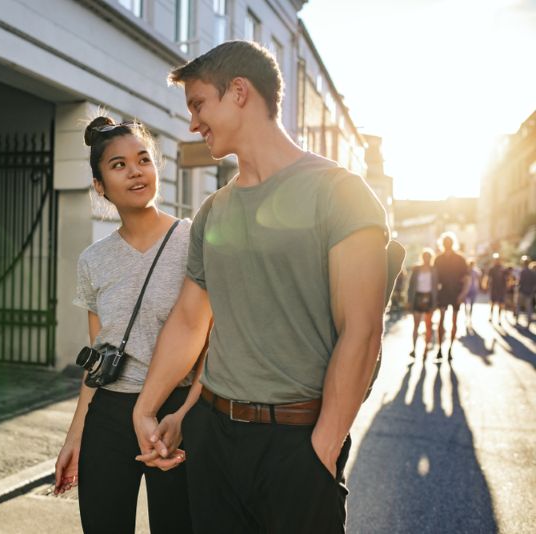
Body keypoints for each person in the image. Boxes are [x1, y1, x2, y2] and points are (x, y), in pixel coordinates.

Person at [131, 41, 390, 534]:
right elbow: (189, 319)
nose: (193, 123)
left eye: (198, 104)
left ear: (240, 92)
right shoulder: (212, 211)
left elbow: (361, 331)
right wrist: (147, 409)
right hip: (213, 438)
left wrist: (323, 449)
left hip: (299, 444)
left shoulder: (340, 193)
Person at [53, 116, 197, 534]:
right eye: (118, 165)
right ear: (100, 186)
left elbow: (210, 342)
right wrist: (75, 436)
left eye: (143, 159)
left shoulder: (193, 241)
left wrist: (187, 413)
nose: (135, 171)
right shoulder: (93, 260)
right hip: (110, 416)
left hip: (175, 413)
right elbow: (98, 357)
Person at [433, 232, 468, 359]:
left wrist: (463, 294)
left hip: (456, 294)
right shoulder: (438, 259)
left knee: (454, 321)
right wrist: (434, 294)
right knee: (441, 320)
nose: (447, 245)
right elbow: (434, 279)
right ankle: (440, 348)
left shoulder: (460, 259)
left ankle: (450, 349)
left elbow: (466, 279)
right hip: (443, 293)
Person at [407, 248, 439, 357]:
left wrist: (435, 303)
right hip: (417, 297)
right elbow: (410, 285)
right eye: (425, 257)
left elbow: (436, 286)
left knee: (428, 326)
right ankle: (414, 349)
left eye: (429, 257)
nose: (427, 259)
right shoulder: (417, 269)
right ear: (422, 257)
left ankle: (426, 349)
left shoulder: (434, 270)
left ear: (431, 258)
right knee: (416, 325)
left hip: (429, 298)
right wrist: (409, 300)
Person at [515, 257, 536, 327]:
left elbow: (519, 282)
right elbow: (534, 284)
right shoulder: (533, 272)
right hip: (529, 293)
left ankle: (517, 320)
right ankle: (528, 322)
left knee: (518, 306)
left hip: (522, 291)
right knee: (528, 308)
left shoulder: (522, 271)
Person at [486, 254, 507, 325]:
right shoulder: (492, 269)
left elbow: (507, 279)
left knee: (500, 304)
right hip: (494, 289)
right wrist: (486, 285)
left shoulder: (503, 269)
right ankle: (491, 316)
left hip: (501, 289)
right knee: (492, 303)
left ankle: (499, 319)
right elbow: (488, 278)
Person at [464, 259, 482, 330]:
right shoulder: (466, 271)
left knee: (471, 304)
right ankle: (466, 316)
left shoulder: (476, 271)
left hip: (473, 289)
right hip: (467, 289)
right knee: (466, 304)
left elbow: (479, 278)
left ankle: (470, 316)